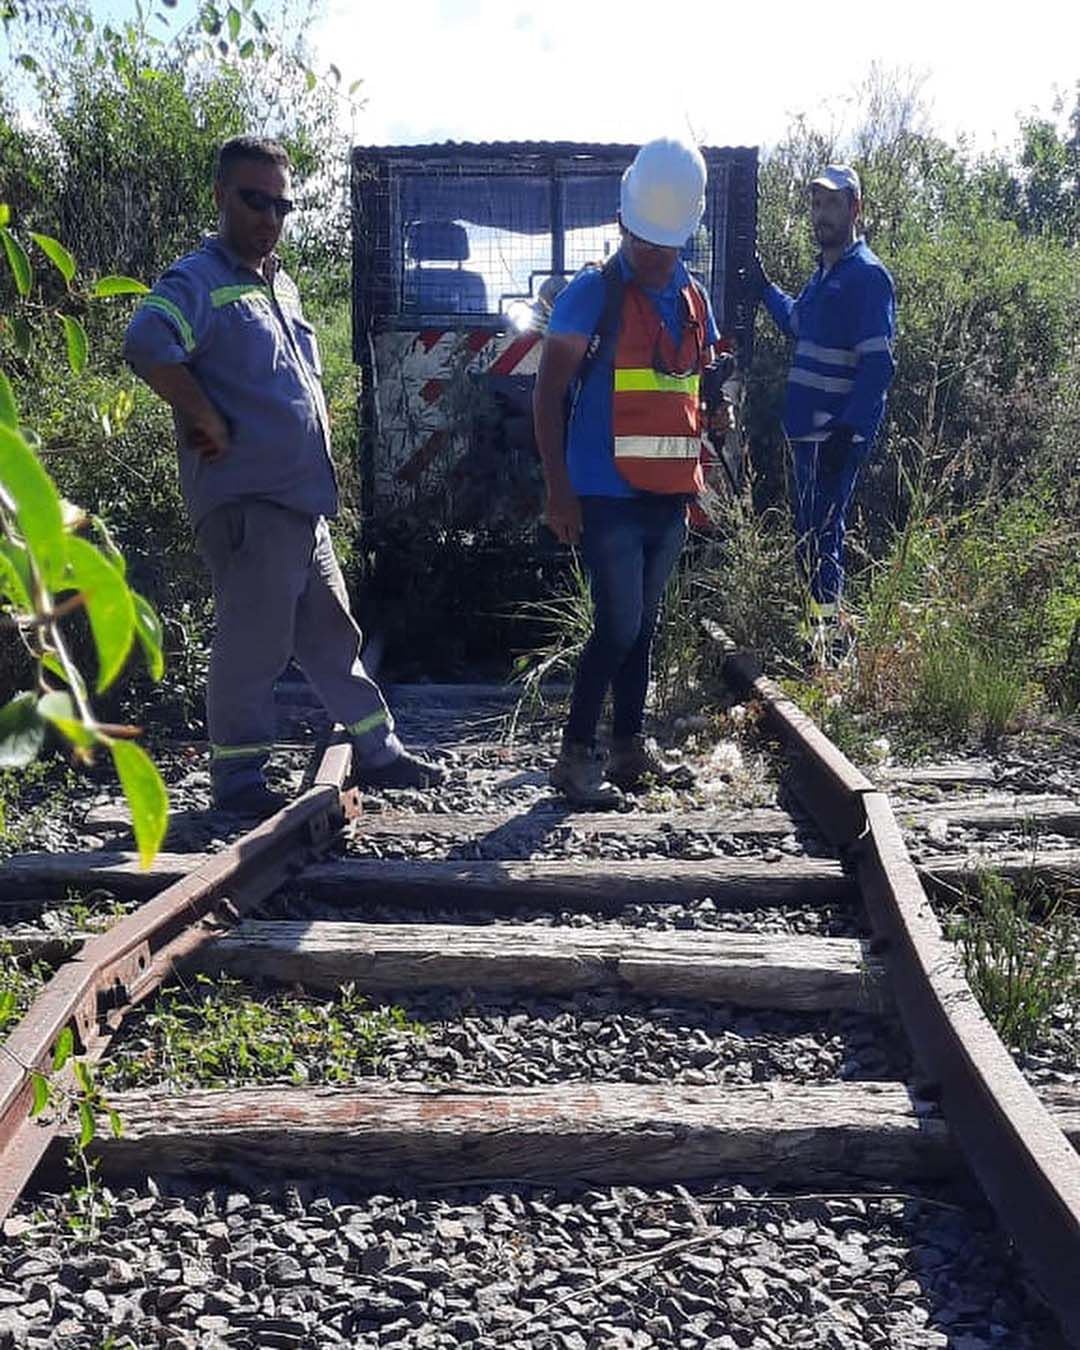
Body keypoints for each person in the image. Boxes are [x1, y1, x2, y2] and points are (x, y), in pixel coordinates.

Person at [124, 135, 444, 817]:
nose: (269, 216)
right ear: (220, 196)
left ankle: (378, 749)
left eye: (281, 204)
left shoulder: (282, 284)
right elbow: (146, 342)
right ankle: (238, 781)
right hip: (249, 501)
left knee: (332, 633)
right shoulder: (200, 279)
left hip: (301, 505)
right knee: (255, 640)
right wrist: (202, 411)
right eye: (254, 199)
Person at [533, 137, 728, 807]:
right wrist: (559, 489)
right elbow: (548, 393)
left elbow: (698, 382)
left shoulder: (694, 297)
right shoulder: (594, 291)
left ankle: (628, 745)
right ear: (622, 223)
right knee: (617, 625)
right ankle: (575, 753)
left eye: (666, 243)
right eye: (645, 240)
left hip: (668, 496)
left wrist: (716, 417)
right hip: (604, 493)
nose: (654, 254)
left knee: (642, 626)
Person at [754, 165, 896, 660]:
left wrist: (846, 434)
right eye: (816, 204)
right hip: (808, 435)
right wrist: (764, 288)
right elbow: (798, 323)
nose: (821, 213)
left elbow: (878, 366)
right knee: (810, 536)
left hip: (833, 437)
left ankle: (830, 651)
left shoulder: (867, 276)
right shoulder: (825, 274)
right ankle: (817, 639)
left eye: (832, 203)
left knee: (821, 539)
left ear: (855, 208)